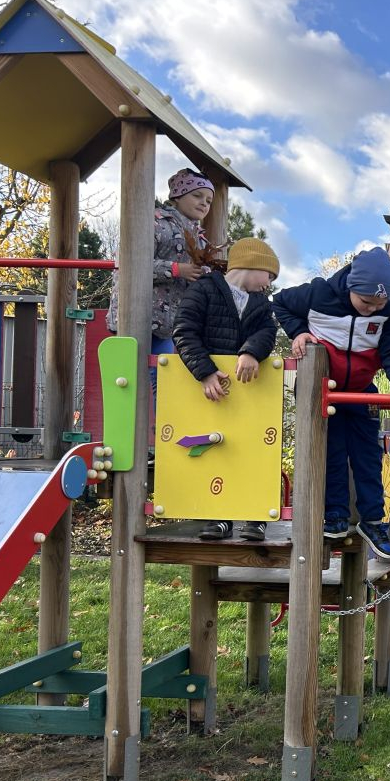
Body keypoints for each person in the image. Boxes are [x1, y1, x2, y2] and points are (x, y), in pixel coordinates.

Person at [273, 247, 390, 557]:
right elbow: (279, 302)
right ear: (351, 287)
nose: (371, 310)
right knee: (331, 451)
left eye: (379, 303)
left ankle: (373, 520)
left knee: (369, 455)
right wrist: (299, 332)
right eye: (365, 302)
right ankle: (334, 514)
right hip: (324, 389)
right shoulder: (319, 294)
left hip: (361, 390)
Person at [171, 237, 280, 541]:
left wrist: (250, 352)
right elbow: (184, 331)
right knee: (215, 451)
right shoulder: (205, 290)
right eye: (269, 275)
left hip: (247, 391)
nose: (269, 284)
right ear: (251, 265)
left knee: (252, 449)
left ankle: (256, 516)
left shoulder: (261, 303)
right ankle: (217, 516)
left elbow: (267, 332)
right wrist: (205, 372)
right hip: (212, 390)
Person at [109, 168, 216, 365]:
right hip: (137, 312)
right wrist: (177, 270)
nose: (204, 203)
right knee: (135, 370)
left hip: (168, 320)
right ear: (177, 196)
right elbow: (130, 264)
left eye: (209, 201)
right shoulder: (155, 222)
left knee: (161, 371)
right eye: (197, 196)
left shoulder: (199, 236)